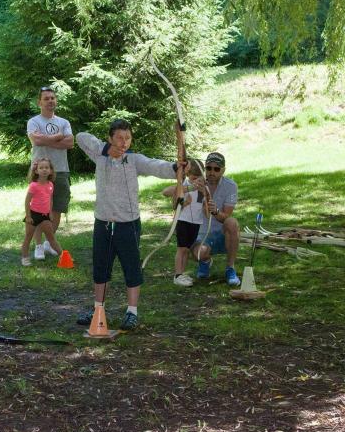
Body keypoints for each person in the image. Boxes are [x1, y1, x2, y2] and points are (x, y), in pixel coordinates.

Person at [75, 119, 187, 330]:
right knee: (101, 268)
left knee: (131, 268)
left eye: (127, 138)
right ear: (110, 139)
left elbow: (155, 166)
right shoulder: (100, 155)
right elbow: (80, 137)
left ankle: (132, 311)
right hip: (104, 223)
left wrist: (176, 168)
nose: (123, 142)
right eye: (119, 138)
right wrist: (106, 149)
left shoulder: (134, 160)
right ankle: (98, 308)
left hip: (128, 224)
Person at [26, 87, 73, 260]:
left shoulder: (64, 122)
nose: (50, 101)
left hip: (60, 169)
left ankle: (48, 243)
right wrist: (57, 137)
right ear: (39, 102)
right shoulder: (33, 121)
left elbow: (70, 143)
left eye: (53, 98)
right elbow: (36, 140)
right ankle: (38, 246)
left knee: (57, 208)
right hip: (40, 172)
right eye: (46, 98)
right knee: (39, 210)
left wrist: (47, 140)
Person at [190, 152, 241, 286]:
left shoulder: (231, 186)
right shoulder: (197, 183)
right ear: (205, 168)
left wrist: (216, 211)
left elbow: (227, 216)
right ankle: (205, 261)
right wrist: (202, 195)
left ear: (223, 170)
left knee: (232, 223)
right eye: (208, 168)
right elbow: (197, 210)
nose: (212, 172)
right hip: (203, 233)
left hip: (222, 234)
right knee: (199, 254)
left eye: (216, 169)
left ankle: (230, 268)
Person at [161, 159, 205, 287]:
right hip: (183, 221)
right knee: (181, 249)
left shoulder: (203, 187)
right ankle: (178, 275)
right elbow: (166, 192)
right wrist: (188, 190)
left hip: (195, 222)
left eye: (199, 177)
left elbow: (204, 204)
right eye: (193, 177)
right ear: (188, 175)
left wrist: (206, 198)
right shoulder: (184, 185)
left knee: (186, 249)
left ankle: (182, 274)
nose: (196, 180)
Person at [21, 158, 63, 266]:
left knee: (51, 238)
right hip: (33, 215)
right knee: (28, 237)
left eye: (47, 168)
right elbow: (27, 201)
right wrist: (28, 216)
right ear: (36, 171)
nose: (44, 170)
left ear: (50, 170)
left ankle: (63, 256)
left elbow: (50, 199)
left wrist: (50, 213)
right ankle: (25, 258)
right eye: (41, 168)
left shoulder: (50, 185)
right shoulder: (33, 185)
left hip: (45, 216)